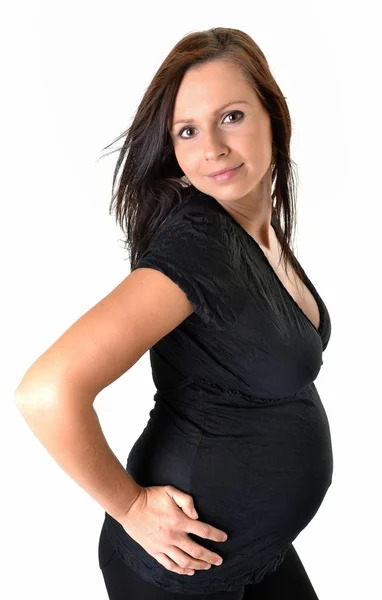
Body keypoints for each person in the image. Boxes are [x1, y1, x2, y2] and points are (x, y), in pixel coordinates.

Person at [14, 27, 333, 599]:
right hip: (179, 574)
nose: (211, 146)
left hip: (255, 551)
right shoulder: (196, 249)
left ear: (272, 114)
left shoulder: (252, 229)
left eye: (230, 117)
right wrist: (133, 507)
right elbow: (46, 391)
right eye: (188, 131)